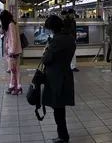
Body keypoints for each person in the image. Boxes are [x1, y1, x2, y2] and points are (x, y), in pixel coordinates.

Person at [42, 15, 76, 143]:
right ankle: (63, 133)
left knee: (58, 108)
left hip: (56, 77)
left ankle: (63, 136)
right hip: (66, 74)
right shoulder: (70, 38)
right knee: (60, 107)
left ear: (52, 28)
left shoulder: (56, 40)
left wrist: (46, 51)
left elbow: (46, 60)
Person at [0, 10, 23, 95]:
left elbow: (13, 40)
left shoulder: (11, 25)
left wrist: (11, 51)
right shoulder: (14, 24)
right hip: (17, 51)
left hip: (13, 52)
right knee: (16, 70)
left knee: (13, 70)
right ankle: (16, 86)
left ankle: (13, 86)